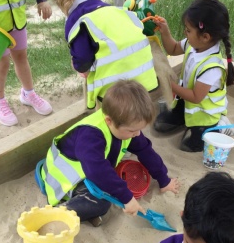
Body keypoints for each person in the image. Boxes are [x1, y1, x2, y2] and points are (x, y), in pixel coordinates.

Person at [38, 79, 179, 226]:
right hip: (65, 181)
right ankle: (56, 214)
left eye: (140, 129)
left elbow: (145, 151)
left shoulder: (124, 124)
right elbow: (98, 171)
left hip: (88, 171)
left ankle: (87, 214)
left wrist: (164, 180)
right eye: (132, 130)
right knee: (102, 202)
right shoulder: (90, 136)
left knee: (107, 192)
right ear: (109, 121)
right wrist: (127, 198)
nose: (137, 134)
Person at [51, 0, 159, 110]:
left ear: (61, 1)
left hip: (117, 92)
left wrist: (76, 64)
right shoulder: (112, 9)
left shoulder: (77, 21)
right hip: (145, 79)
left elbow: (82, 60)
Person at [153, 0, 234, 152]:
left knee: (188, 146)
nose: (185, 33)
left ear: (205, 37)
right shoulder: (193, 45)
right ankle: (183, 118)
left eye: (188, 30)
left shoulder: (211, 68)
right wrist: (165, 32)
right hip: (187, 104)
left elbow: (195, 97)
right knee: (160, 125)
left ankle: (220, 126)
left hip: (204, 115)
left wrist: (170, 84)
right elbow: (173, 49)